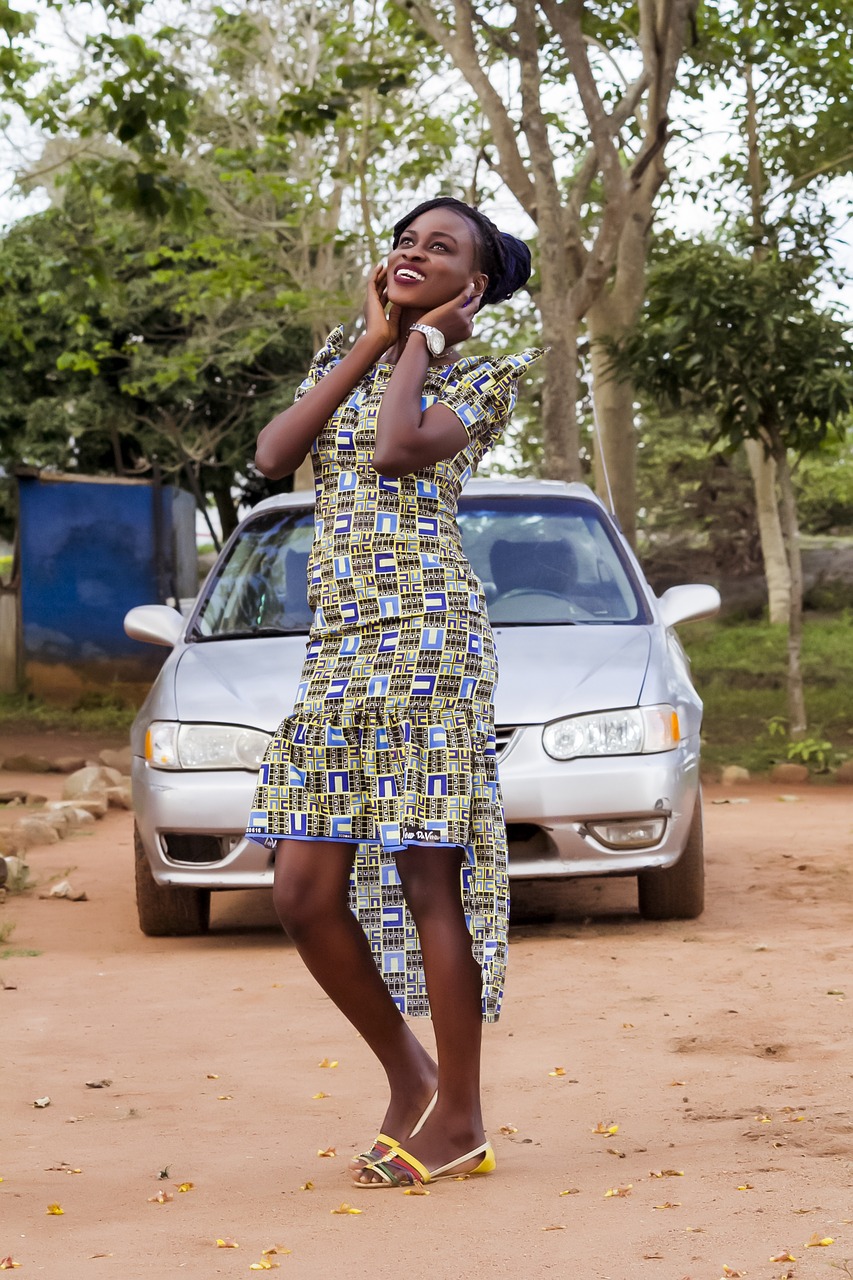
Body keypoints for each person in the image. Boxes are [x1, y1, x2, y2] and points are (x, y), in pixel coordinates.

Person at [246, 196, 541, 1189]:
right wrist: (374, 338)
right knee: (300, 888)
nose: (414, 251)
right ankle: (407, 1070)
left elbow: (397, 448)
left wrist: (419, 343)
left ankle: (459, 1114)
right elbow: (275, 454)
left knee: (427, 876)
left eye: (441, 247)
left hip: (429, 636)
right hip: (338, 645)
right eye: (407, 239)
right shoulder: (353, 348)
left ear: (478, 286)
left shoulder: (487, 372)